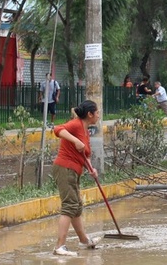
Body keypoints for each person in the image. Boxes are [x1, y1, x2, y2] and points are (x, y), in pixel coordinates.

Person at [51, 100, 101, 256]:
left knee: (76, 206)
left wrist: (91, 169)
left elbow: (85, 155)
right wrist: (75, 140)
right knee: (70, 205)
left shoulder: (85, 130)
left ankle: (84, 241)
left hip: (74, 170)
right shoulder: (76, 124)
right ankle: (60, 246)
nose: (98, 115)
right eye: (97, 112)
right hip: (65, 168)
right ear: (90, 114)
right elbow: (58, 129)